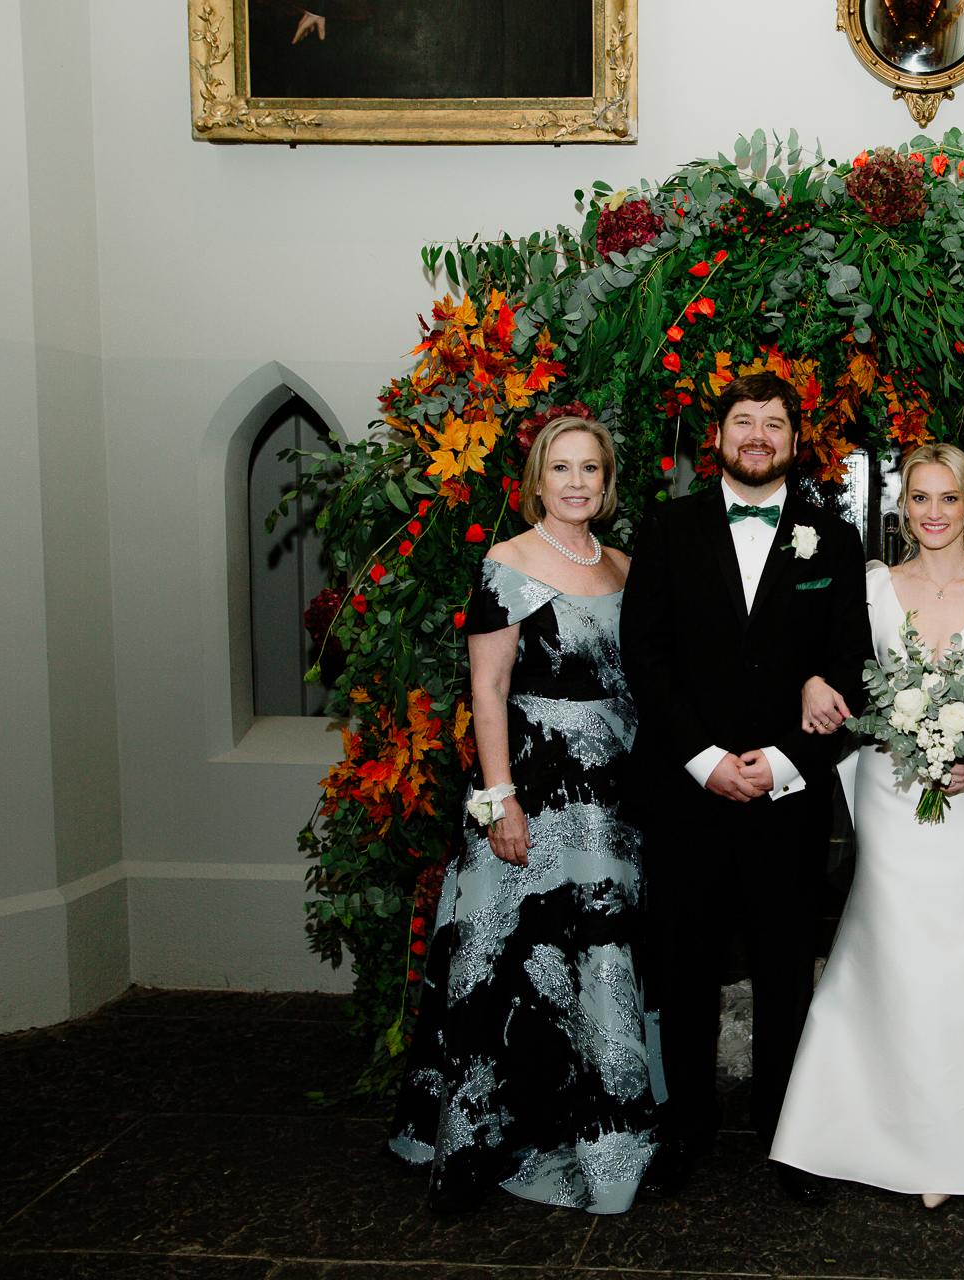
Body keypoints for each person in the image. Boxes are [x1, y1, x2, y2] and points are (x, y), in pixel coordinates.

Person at [769, 443, 964, 1209]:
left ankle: (962, 1143)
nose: (933, 513)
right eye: (919, 498)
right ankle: (851, 1131)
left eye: (948, 498)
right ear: (903, 506)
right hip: (889, 790)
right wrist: (810, 681)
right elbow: (821, 661)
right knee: (883, 947)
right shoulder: (869, 586)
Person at [387, 416, 660, 1215]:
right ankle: (499, 1137)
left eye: (591, 470)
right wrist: (498, 800)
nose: (576, 482)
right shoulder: (504, 564)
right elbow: (487, 690)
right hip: (531, 800)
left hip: (612, 805)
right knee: (518, 967)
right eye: (561, 468)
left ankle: (603, 1133)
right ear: (537, 480)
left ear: (607, 485)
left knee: (595, 959)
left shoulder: (625, 567)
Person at [619, 372, 871, 1202]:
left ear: (796, 443)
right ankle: (686, 1126)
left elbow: (847, 666)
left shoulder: (833, 541)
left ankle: (786, 1132)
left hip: (787, 798)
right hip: (687, 793)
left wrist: (784, 762)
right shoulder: (668, 527)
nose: (757, 435)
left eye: (774, 423)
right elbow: (645, 657)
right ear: (718, 439)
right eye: (742, 421)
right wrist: (705, 759)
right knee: (683, 964)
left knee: (783, 967)